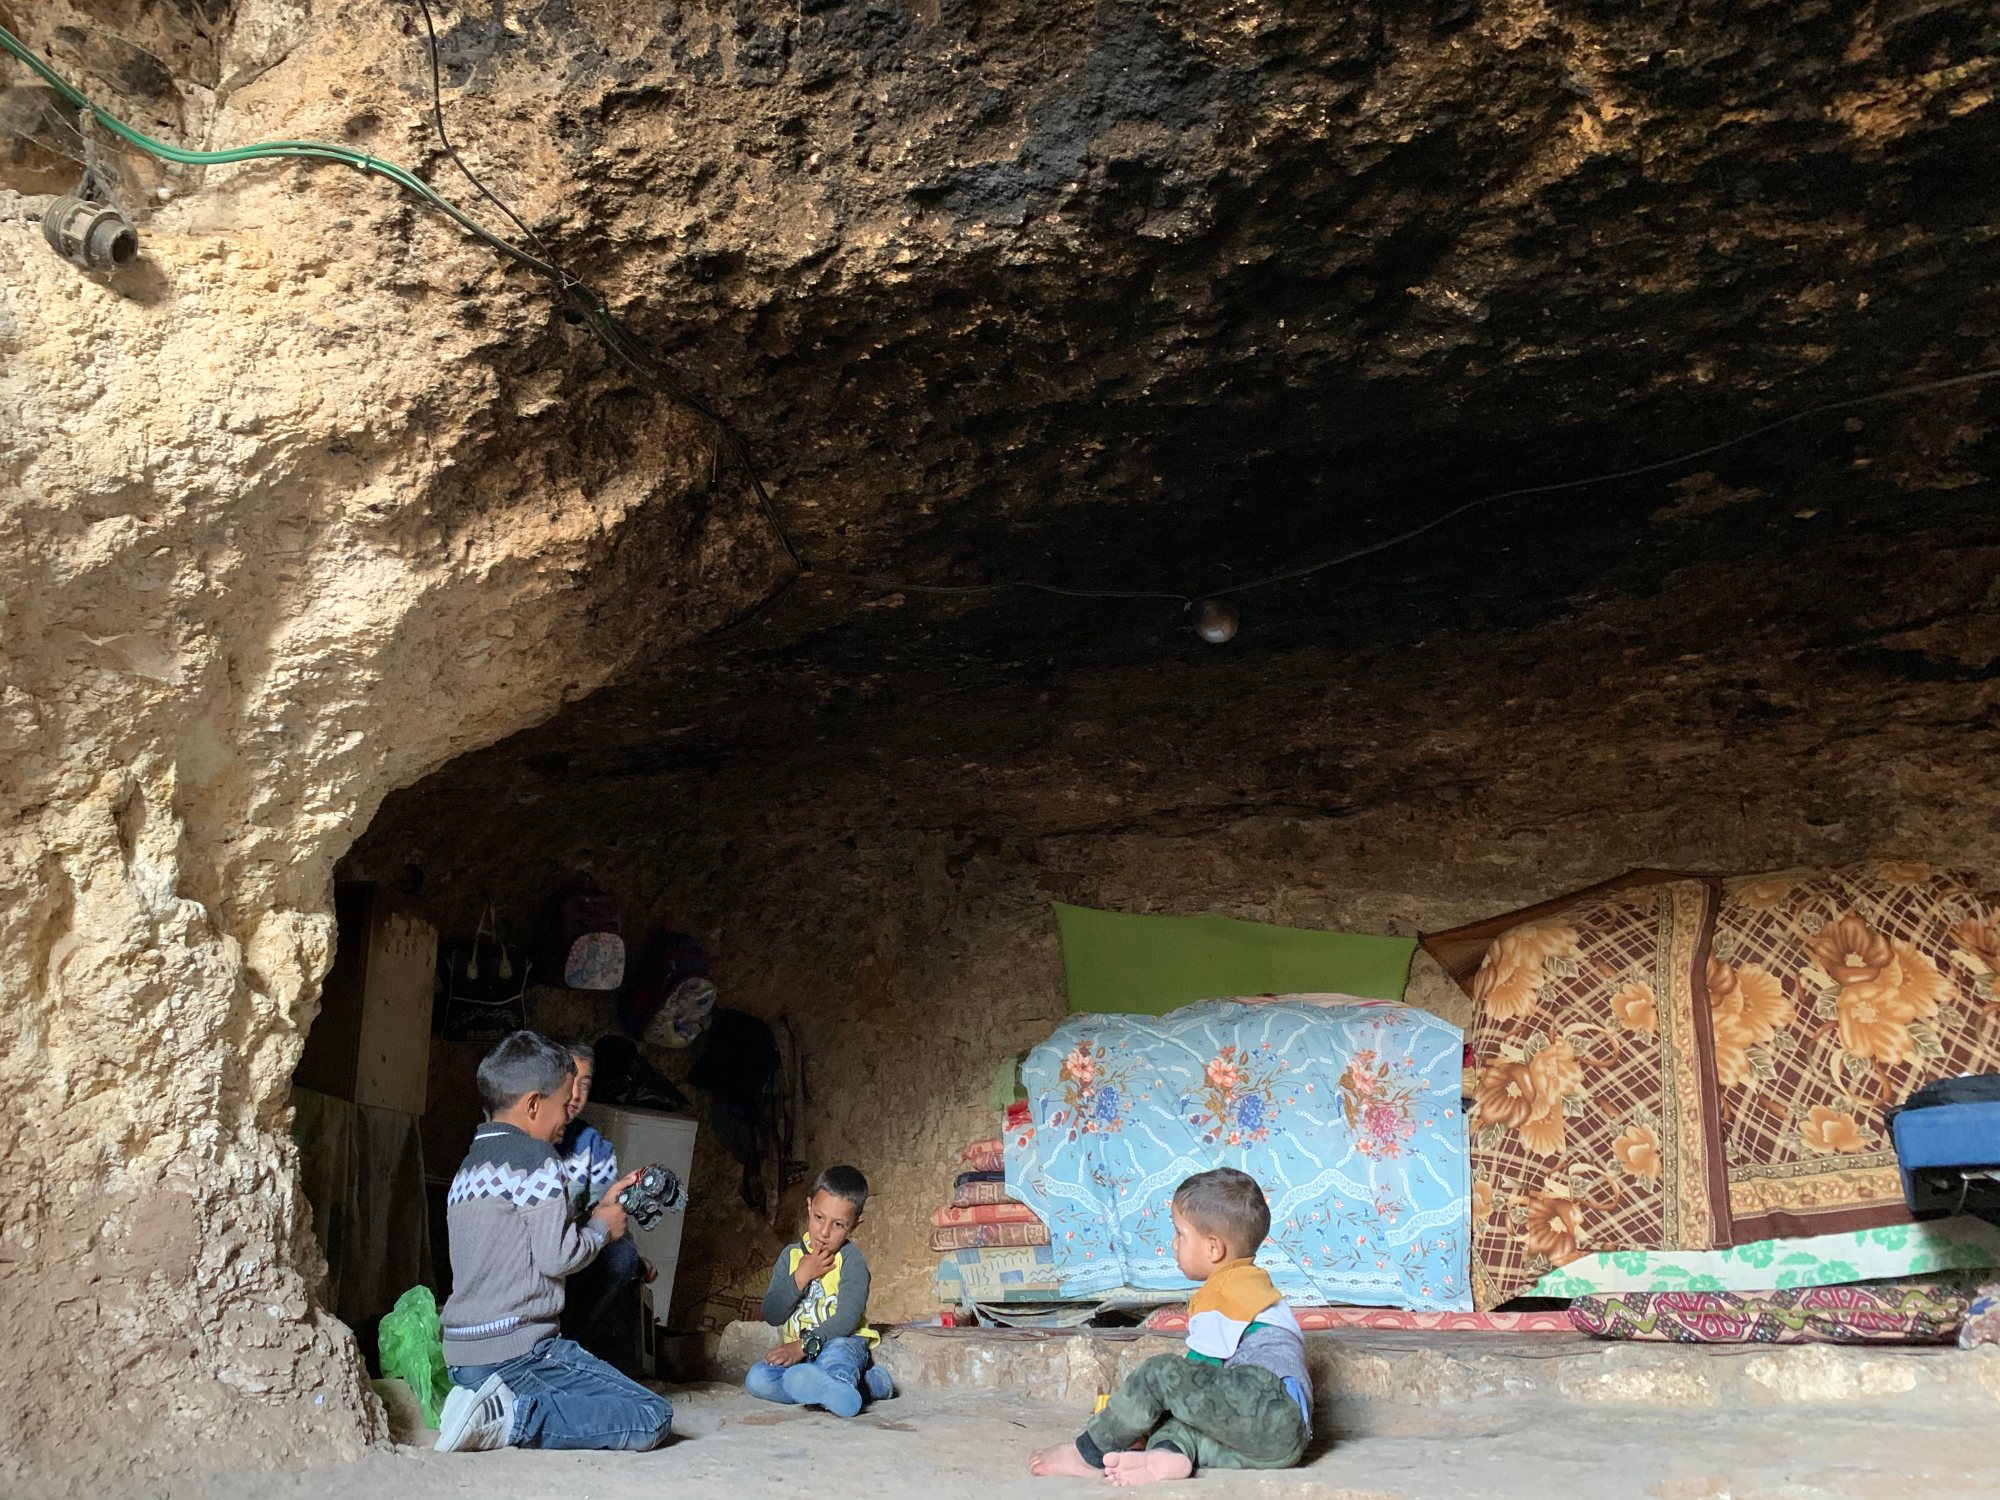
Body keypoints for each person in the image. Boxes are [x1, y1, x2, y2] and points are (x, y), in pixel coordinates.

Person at [434, 1030, 673, 1454]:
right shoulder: (539, 1158)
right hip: (521, 1356)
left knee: (585, 1397)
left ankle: (483, 1404)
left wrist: (600, 1210)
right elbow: (558, 1257)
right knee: (651, 1415)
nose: (568, 1115)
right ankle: (511, 1419)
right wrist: (601, 1227)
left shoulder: (468, 1167)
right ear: (531, 1105)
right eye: (564, 1104)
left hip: (465, 1359)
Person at [1027, 1168, 1312, 1485]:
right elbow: (1209, 1400)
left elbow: (1190, 1376)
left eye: (1180, 1234)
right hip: (1285, 1443)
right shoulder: (1259, 1287)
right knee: (1182, 1426)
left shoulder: (1224, 1293)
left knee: (1160, 1374)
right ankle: (1169, 1454)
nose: (1173, 1243)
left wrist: (1135, 1420)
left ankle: (1086, 1454)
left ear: (1214, 1248)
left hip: (1268, 1405)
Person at [745, 1165, 896, 1417]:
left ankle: (839, 1387)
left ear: (854, 1225)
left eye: (838, 1224)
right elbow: (772, 1313)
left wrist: (803, 1346)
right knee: (757, 1379)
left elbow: (847, 1318)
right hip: (801, 1358)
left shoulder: (851, 1260)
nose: (824, 1232)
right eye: (818, 1217)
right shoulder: (791, 1256)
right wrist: (801, 1277)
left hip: (838, 1344)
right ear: (809, 1206)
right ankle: (863, 1386)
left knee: (836, 1358)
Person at [555, 1042, 655, 1357]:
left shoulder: (592, 1144)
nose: (575, 1095)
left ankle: (571, 1346)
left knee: (622, 1257)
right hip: (535, 1251)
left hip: (575, 1245)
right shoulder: (525, 1140)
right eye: (568, 1083)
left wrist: (635, 1254)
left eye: (584, 1085)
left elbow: (609, 1212)